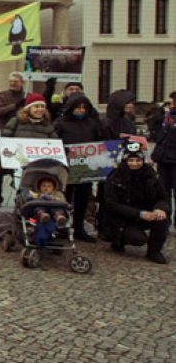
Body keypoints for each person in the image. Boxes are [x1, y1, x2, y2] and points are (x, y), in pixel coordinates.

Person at [100, 141, 168, 263]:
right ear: (125, 161)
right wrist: (140, 214)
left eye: (138, 160)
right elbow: (112, 204)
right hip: (122, 218)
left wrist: (160, 208)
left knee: (162, 218)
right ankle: (117, 241)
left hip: (145, 214)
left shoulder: (151, 176)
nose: (135, 163)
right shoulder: (114, 177)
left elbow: (162, 197)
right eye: (131, 160)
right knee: (139, 239)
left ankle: (154, 251)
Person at [53, 93, 102, 242]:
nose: (81, 110)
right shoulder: (60, 123)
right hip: (66, 167)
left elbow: (98, 141)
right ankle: (62, 227)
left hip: (85, 167)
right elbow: (54, 142)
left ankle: (79, 227)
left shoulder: (92, 123)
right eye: (78, 107)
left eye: (83, 108)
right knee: (65, 198)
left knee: (83, 199)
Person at [0, 71, 27, 207]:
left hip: (21, 138)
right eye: (11, 82)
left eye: (16, 81)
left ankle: (19, 198)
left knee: (19, 170)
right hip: (4, 137)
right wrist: (15, 106)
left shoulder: (27, 97)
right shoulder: (1, 96)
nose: (13, 84)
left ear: (22, 83)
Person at [150, 91, 176, 231]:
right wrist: (154, 157)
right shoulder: (168, 117)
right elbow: (161, 139)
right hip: (164, 160)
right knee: (164, 192)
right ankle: (165, 222)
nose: (172, 104)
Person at [24, 176, 68, 248]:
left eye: (49, 186)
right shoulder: (37, 194)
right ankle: (42, 215)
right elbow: (28, 204)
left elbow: (63, 202)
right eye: (43, 186)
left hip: (53, 217)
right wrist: (30, 197)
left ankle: (59, 216)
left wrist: (51, 198)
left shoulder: (57, 194)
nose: (46, 188)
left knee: (56, 208)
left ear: (53, 188)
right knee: (38, 207)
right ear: (39, 187)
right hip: (35, 219)